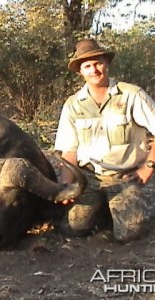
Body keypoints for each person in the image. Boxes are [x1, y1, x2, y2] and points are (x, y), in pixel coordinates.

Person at [54, 38, 155, 242]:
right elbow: (69, 151)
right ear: (80, 72)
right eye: (87, 66)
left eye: (98, 63)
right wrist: (66, 186)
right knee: (73, 226)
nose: (94, 70)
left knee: (130, 232)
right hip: (89, 177)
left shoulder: (131, 95)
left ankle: (131, 205)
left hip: (125, 176)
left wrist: (148, 167)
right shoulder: (73, 104)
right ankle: (103, 210)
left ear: (107, 63)